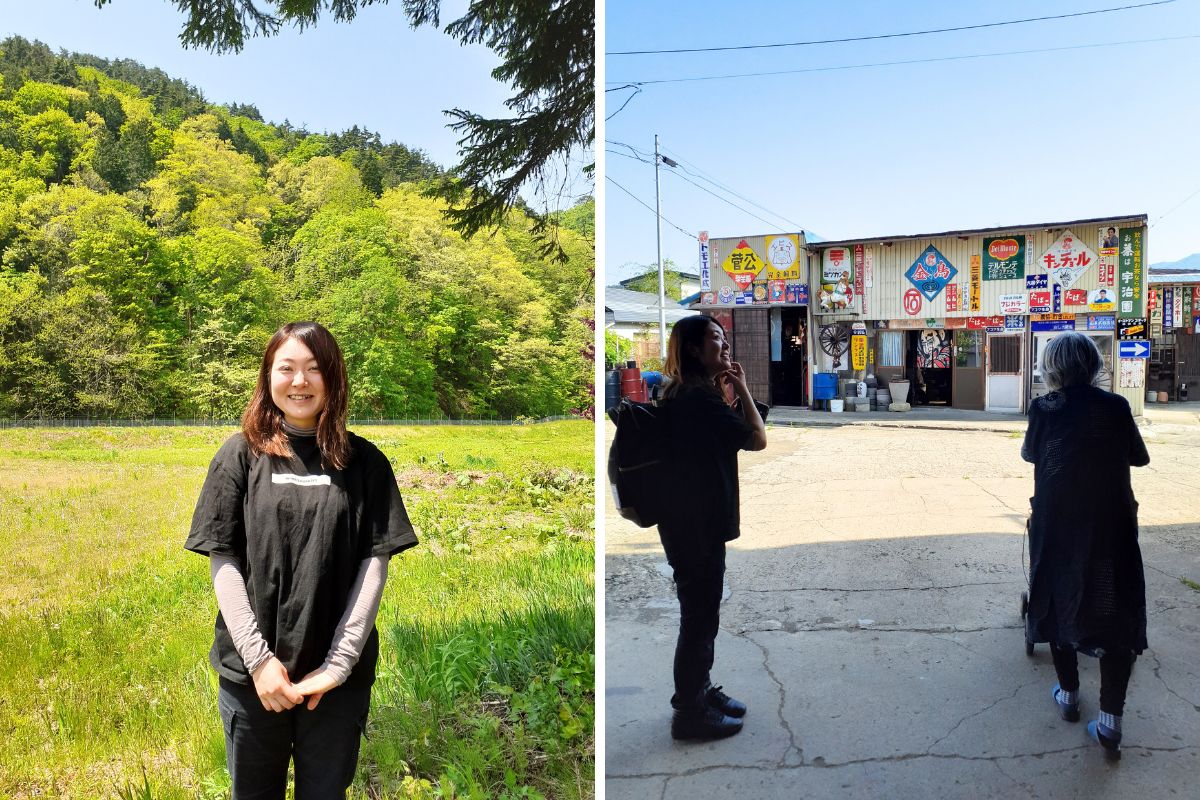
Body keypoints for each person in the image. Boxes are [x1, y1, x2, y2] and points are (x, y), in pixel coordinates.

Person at [186, 321, 418, 797]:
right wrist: (259, 663)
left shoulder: (366, 463)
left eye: (314, 369)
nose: (300, 381)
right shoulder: (240, 456)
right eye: (286, 368)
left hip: (336, 687)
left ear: (333, 377)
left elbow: (374, 566)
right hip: (251, 679)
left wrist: (338, 665)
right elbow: (223, 559)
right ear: (267, 377)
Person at [1021, 332, 1149, 761]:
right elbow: (1139, 457)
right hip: (1112, 522)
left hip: (1057, 522)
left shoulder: (1045, 408)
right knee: (1115, 606)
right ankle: (1111, 724)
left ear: (1051, 368)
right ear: (1094, 367)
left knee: (1059, 598)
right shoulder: (1115, 406)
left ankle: (1070, 696)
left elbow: (1030, 455)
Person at [657, 315, 767, 740]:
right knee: (699, 618)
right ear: (692, 350)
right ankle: (689, 713)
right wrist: (740, 387)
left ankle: (699, 693)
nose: (724, 347)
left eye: (724, 338)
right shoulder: (696, 400)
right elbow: (757, 438)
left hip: (689, 523)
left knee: (702, 614)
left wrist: (725, 390)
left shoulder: (683, 393)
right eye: (715, 340)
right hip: (696, 527)